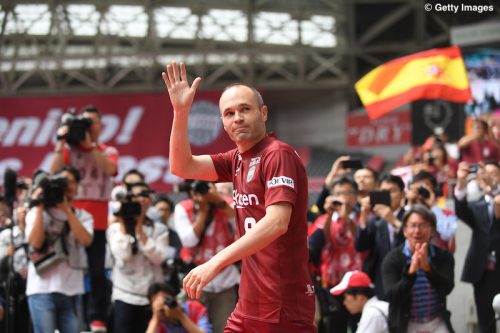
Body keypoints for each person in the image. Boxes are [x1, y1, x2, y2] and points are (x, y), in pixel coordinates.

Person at [162, 61, 315, 332]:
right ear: (222, 121)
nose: (237, 118)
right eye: (229, 113)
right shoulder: (236, 159)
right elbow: (181, 166)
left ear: (263, 113)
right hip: (249, 305)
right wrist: (180, 110)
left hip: (282, 304)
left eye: (245, 109)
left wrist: (216, 262)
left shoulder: (277, 154)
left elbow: (277, 222)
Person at [50, 105, 118, 332]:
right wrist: (61, 140)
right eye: (84, 123)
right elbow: (53, 171)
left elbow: (111, 170)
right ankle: (69, 312)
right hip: (69, 216)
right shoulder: (68, 149)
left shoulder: (108, 150)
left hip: (97, 218)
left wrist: (90, 146)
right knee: (68, 265)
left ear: (99, 126)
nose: (88, 128)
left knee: (97, 270)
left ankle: (98, 316)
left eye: (92, 123)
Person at [25, 166, 94, 333]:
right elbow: (35, 242)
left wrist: (67, 210)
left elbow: (85, 240)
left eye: (71, 181)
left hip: (72, 290)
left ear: (77, 186)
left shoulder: (83, 216)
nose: (67, 185)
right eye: (63, 181)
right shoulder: (36, 212)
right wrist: (40, 205)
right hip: (41, 288)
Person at [173, 181, 239, 333]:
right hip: (194, 280)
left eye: (207, 186)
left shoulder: (227, 204)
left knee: (225, 328)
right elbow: (189, 241)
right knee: (192, 327)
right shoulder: (183, 207)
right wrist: (203, 211)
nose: (204, 191)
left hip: (225, 279)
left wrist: (220, 203)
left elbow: (240, 227)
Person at [107, 182, 169, 333]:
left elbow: (159, 258)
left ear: (149, 201)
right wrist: (123, 223)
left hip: (151, 296)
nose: (140, 200)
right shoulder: (115, 228)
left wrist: (139, 229)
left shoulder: (159, 229)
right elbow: (123, 254)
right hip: (124, 294)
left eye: (144, 196)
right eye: (135, 197)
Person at [382, 204, 454, 333]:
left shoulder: (443, 256)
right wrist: (411, 272)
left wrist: (428, 269)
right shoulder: (392, 259)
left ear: (432, 230)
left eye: (423, 225)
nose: (417, 231)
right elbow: (391, 296)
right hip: (406, 324)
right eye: (413, 225)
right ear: (404, 230)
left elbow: (447, 288)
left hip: (436, 321)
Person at [454, 161, 500, 333]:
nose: (488, 177)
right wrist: (461, 182)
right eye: (485, 174)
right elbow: (461, 210)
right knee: (485, 319)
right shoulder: (476, 205)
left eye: (493, 173)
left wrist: (493, 187)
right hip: (483, 271)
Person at [355, 174, 406, 299]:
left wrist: (394, 221)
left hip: (406, 279)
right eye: (383, 192)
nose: (387, 195)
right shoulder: (375, 220)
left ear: (403, 194)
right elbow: (361, 246)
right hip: (382, 283)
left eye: (392, 191)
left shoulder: (410, 217)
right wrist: (364, 218)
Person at [146, 282, 213, 333]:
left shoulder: (194, 307)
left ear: (174, 298)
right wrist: (156, 318)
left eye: (166, 299)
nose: (164, 306)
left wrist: (181, 316)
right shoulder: (156, 322)